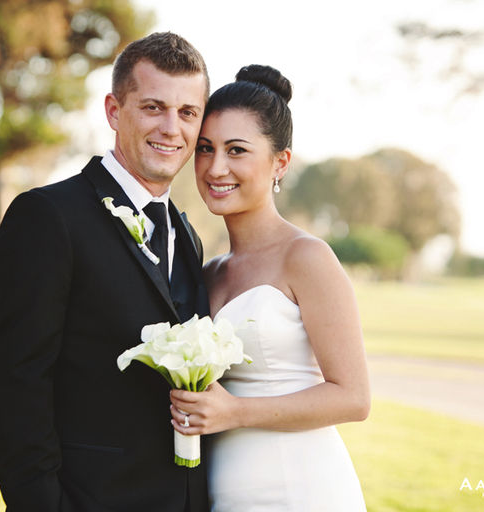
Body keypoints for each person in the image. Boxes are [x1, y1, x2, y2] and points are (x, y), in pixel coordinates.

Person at [0, 32, 211, 512]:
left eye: (187, 112)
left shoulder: (187, 237)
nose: (172, 128)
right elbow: (18, 383)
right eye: (153, 107)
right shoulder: (48, 217)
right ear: (114, 110)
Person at [169, 65, 371, 511]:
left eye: (236, 150)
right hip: (224, 493)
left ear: (280, 162)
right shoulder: (207, 271)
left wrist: (235, 413)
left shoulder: (307, 258)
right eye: (206, 148)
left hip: (300, 489)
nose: (216, 167)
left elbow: (354, 398)